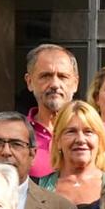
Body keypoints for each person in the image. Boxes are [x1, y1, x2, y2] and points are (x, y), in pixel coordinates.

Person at [38, 100, 105, 209]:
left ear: (100, 139)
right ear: (58, 141)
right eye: (71, 132)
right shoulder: (38, 188)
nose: (80, 140)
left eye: (88, 132)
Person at [24, 43, 80, 179]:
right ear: (29, 82)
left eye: (63, 76)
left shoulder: (99, 132)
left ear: (75, 84)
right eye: (46, 76)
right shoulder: (18, 135)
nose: (55, 84)